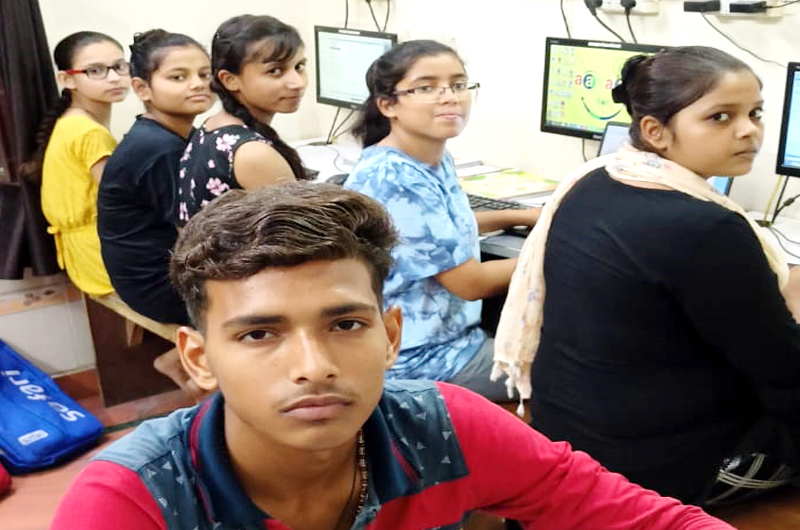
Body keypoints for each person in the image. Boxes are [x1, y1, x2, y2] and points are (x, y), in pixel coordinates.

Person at [50, 182, 733, 529]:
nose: (313, 365)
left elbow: (645, 517)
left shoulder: (444, 429)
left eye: (345, 323)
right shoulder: (134, 499)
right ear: (199, 358)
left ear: (390, 334)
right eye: (260, 334)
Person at [495, 46, 800, 506]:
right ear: (656, 131)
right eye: (720, 117)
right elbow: (783, 372)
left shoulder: (593, 180)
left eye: (755, 113)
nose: (748, 131)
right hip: (658, 471)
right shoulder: (707, 227)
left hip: (573, 439)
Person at [345, 41, 539, 401]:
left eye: (458, 84)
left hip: (454, 340)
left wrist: (524, 215)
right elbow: (471, 283)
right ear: (388, 105)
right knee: (577, 369)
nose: (449, 97)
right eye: (426, 87)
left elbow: (445, 228)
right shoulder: (395, 178)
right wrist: (553, 248)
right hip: (423, 361)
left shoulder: (431, 158)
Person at [97, 29, 215, 395]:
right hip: (154, 282)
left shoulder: (166, 133)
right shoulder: (159, 149)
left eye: (204, 74)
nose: (197, 84)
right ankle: (210, 385)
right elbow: (194, 233)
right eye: (178, 77)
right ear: (142, 88)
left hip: (150, 269)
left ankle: (179, 361)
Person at [176, 14, 311, 225]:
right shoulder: (253, 153)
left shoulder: (213, 125)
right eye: (275, 71)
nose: (297, 83)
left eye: (299, 66)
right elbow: (302, 233)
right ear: (230, 80)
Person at [36, 31, 130, 295]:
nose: (114, 77)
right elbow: (123, 202)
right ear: (67, 79)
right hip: (101, 255)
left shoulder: (71, 121)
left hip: (87, 254)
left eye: (119, 66)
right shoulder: (88, 132)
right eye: (95, 70)